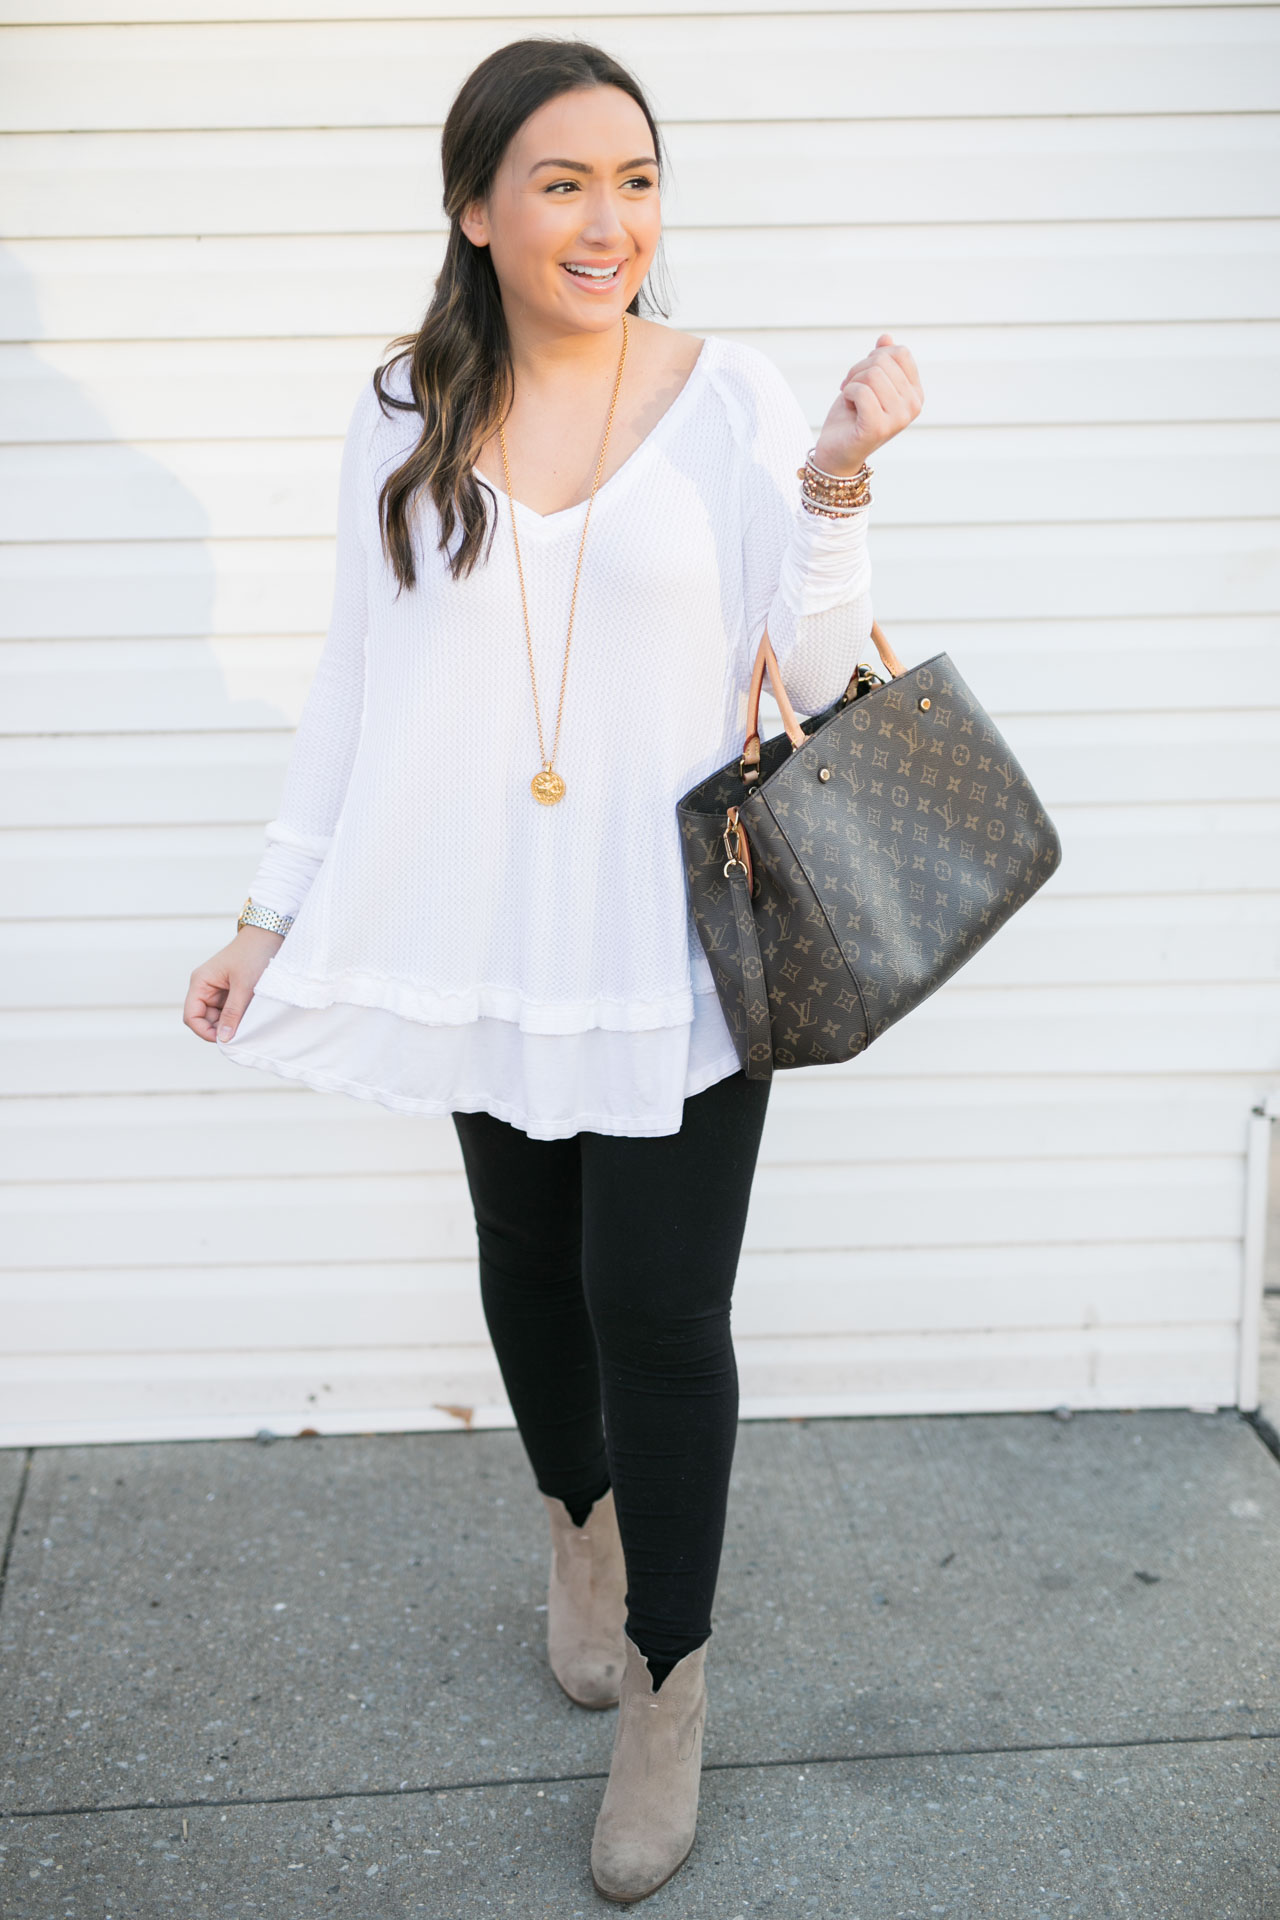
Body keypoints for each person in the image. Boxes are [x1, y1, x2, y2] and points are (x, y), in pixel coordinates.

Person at [183, 36, 922, 1905]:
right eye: (566, 182)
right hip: (483, 922)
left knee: (655, 1308)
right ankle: (580, 1535)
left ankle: (669, 1688)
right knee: (527, 1262)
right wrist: (271, 912)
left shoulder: (734, 395)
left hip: (680, 930)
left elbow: (814, 678)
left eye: (638, 182)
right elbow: (356, 679)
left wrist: (837, 485)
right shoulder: (404, 404)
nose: (611, 221)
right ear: (476, 209)